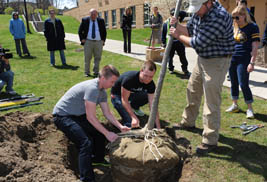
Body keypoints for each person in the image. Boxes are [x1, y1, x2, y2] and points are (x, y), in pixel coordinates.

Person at [169, 0, 235, 154]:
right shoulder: (201, 12)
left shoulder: (218, 16)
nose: (196, 12)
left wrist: (177, 35)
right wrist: (177, 25)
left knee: (211, 101)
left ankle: (210, 140)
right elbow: (190, 30)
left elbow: (197, 43)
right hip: (203, 59)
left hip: (217, 61)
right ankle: (188, 122)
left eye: (199, 9)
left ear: (209, 3)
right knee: (192, 90)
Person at [52, 65, 130, 182]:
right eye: (112, 82)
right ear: (103, 78)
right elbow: (91, 117)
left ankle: (97, 159)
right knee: (85, 143)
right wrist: (107, 133)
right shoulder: (92, 89)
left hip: (78, 114)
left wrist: (120, 126)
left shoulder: (102, 91)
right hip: (63, 116)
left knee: (99, 133)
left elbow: (107, 113)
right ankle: (86, 178)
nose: (113, 85)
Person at [225, 5, 260, 119]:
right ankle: (235, 105)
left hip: (244, 59)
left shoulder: (252, 27)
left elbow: (255, 46)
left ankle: (250, 108)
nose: (235, 20)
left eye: (237, 18)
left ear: (244, 15)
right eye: (233, 18)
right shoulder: (234, 27)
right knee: (233, 82)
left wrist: (252, 62)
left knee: (243, 83)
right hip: (232, 58)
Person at [110, 60, 161, 129]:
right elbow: (124, 100)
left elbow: (153, 105)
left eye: (151, 76)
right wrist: (133, 117)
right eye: (145, 75)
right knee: (130, 121)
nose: (148, 79)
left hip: (131, 94)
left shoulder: (151, 84)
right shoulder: (129, 79)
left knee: (147, 96)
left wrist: (158, 127)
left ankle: (134, 107)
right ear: (141, 71)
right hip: (117, 95)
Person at [78, 9, 107, 78]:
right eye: (92, 14)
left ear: (97, 14)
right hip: (88, 42)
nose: (93, 16)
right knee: (87, 58)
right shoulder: (85, 20)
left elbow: (104, 32)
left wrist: (103, 40)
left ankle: (96, 72)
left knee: (97, 58)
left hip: (98, 42)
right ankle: (87, 72)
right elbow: (80, 30)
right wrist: (82, 39)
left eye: (94, 14)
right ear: (89, 14)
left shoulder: (101, 21)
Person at [162, 9, 189, 76]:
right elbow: (163, 34)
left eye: (177, 16)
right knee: (170, 57)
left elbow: (184, 13)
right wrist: (164, 43)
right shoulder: (166, 24)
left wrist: (178, 15)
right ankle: (171, 69)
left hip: (179, 42)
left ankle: (185, 69)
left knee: (182, 56)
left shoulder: (178, 22)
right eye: (173, 15)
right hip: (170, 42)